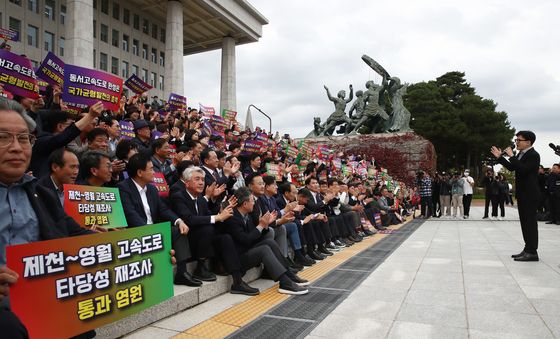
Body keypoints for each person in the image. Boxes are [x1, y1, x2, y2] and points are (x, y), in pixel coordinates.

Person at [0, 98, 96, 338]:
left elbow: (74, 232)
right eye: (3, 137)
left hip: (43, 294)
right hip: (5, 309)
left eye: (24, 139)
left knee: (84, 320)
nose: (16, 147)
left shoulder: (40, 194)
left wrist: (151, 249)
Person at [117, 153, 199, 285]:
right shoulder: (123, 188)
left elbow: (163, 209)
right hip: (136, 232)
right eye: (150, 169)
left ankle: (182, 273)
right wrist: (150, 231)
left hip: (154, 229)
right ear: (139, 172)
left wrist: (179, 221)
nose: (154, 172)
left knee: (178, 230)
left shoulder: (151, 189)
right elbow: (130, 214)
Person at [223, 187, 310, 295]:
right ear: (245, 204)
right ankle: (285, 282)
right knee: (264, 249)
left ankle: (288, 275)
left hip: (247, 250)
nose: (254, 203)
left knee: (270, 242)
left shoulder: (247, 214)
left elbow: (255, 235)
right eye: (252, 201)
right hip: (238, 258)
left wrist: (266, 224)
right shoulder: (232, 217)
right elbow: (245, 240)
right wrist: (261, 225)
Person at [491, 131, 541, 261]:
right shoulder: (521, 154)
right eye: (516, 139)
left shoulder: (534, 155)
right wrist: (500, 158)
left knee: (530, 223)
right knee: (524, 223)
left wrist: (512, 156)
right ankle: (527, 249)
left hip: (530, 194)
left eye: (519, 140)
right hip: (523, 194)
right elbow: (513, 168)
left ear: (528, 142)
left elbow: (523, 170)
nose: (516, 142)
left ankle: (532, 252)